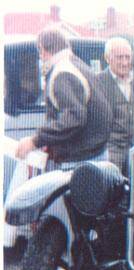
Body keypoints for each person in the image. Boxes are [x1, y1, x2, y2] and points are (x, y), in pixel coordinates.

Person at [15, 29, 111, 170]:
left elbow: (75, 118)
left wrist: (34, 141)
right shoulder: (78, 65)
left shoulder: (62, 73)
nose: (40, 58)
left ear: (42, 49)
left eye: (39, 52)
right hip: (96, 154)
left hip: (80, 161)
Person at [97, 37, 134, 173]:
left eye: (128, 57)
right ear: (108, 58)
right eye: (120, 57)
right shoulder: (98, 82)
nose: (125, 62)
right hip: (112, 154)